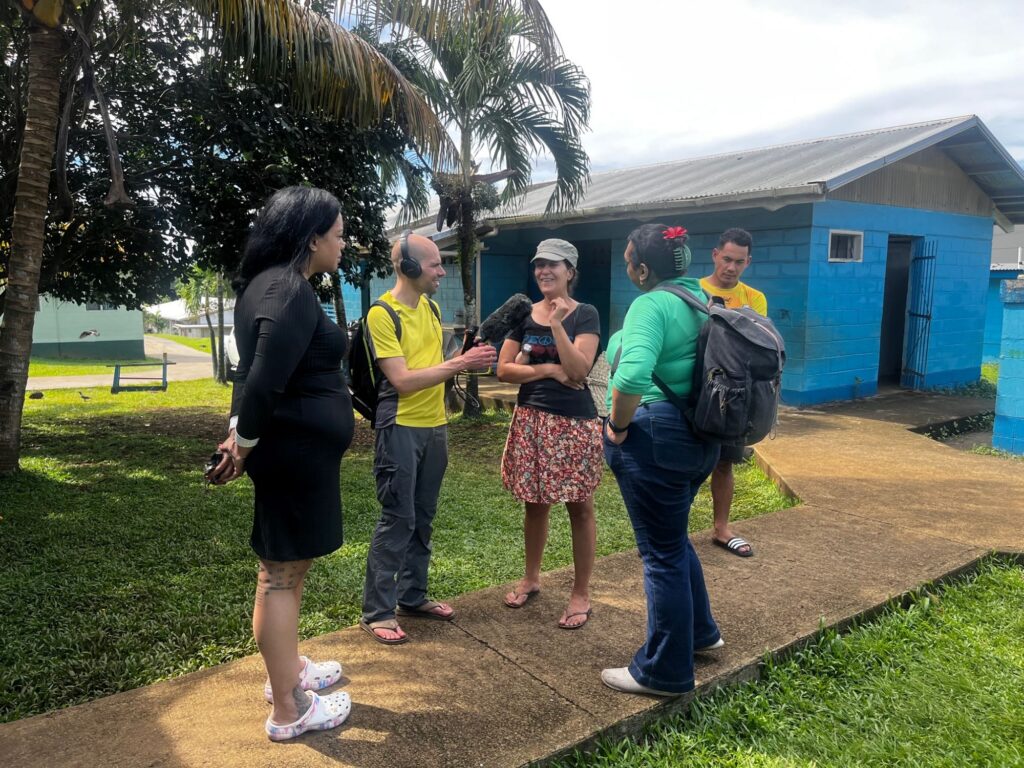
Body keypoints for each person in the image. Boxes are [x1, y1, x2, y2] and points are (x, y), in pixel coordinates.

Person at [211, 186, 354, 740]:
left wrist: (236, 436)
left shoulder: (265, 287)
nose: (342, 244)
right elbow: (265, 377)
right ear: (312, 236)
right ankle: (290, 711)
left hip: (294, 454)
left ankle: (287, 670)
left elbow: (247, 374)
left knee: (283, 573)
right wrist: (243, 442)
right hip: (293, 455)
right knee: (279, 577)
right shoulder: (288, 290)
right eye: (338, 235)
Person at [601, 223, 723, 697]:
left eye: (630, 259)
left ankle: (663, 671)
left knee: (661, 554)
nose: (628, 266)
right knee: (675, 541)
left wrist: (617, 426)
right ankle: (702, 633)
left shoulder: (650, 303)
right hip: (700, 438)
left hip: (658, 436)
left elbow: (630, 376)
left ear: (643, 268)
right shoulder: (702, 300)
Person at [360, 233, 497, 645]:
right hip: (400, 426)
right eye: (436, 263)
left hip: (435, 426)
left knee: (423, 516)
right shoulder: (382, 314)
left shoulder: (433, 308)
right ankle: (378, 611)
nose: (442, 270)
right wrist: (460, 362)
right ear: (410, 267)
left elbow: (434, 367)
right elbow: (401, 380)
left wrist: (464, 355)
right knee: (398, 518)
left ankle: (412, 595)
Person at [496, 239, 602, 629]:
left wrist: (557, 324)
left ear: (570, 272)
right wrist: (547, 370)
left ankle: (581, 593)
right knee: (534, 503)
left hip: (573, 422)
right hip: (531, 419)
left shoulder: (584, 315)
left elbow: (578, 370)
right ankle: (531, 577)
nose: (544, 271)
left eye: (553, 265)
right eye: (539, 264)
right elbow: (504, 370)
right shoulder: (523, 314)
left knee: (580, 505)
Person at [699, 227, 767, 558]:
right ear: (715, 255)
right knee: (686, 465)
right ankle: (669, 535)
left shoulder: (755, 298)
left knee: (725, 463)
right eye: (726, 259)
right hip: (696, 392)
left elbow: (758, 346)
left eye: (739, 262)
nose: (731, 267)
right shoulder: (694, 292)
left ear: (748, 262)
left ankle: (721, 528)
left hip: (736, 397)